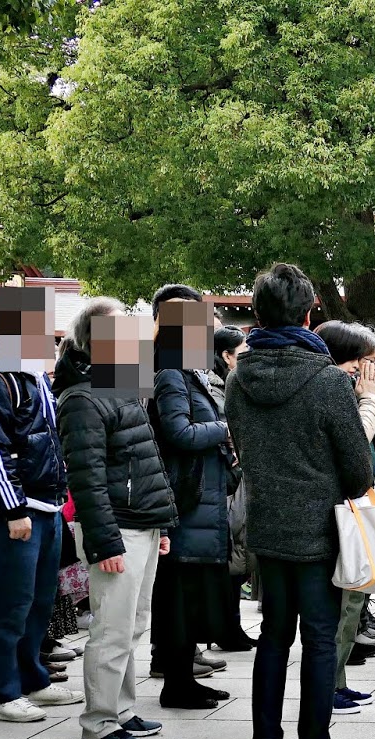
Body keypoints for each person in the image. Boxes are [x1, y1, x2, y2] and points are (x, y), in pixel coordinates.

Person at [226, 263, 373, 739]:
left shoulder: (238, 378)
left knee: (272, 636)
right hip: (317, 527)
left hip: (267, 523)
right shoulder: (328, 380)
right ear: (309, 313)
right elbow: (359, 470)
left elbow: (241, 449)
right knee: (318, 637)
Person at [53, 298, 177, 739]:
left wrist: (162, 523)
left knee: (133, 623)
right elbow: (85, 478)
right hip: (114, 528)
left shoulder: (122, 385)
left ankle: (122, 708)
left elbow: (146, 462)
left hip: (141, 522)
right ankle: (99, 723)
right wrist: (105, 541)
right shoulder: (81, 397)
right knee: (111, 628)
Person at [0, 299, 76, 723]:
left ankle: (33, 679)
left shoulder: (34, 379)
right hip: (17, 509)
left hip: (46, 505)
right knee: (10, 604)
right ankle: (1, 691)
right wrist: (12, 508)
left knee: (38, 602)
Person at [150, 286, 241, 711]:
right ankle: (177, 683)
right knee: (179, 596)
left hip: (202, 495)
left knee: (190, 595)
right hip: (186, 497)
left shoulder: (188, 373)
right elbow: (178, 433)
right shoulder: (169, 372)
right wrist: (225, 429)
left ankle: (186, 678)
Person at [313, 319, 375, 711]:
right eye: (366, 361)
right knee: (342, 606)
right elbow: (354, 444)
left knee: (353, 603)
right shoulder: (333, 388)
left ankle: (338, 680)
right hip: (340, 508)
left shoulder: (356, 389)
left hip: (361, 500)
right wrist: (371, 400)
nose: (371, 370)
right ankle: (329, 685)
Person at [208, 325, 257, 652]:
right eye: (242, 355)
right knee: (231, 554)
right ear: (226, 356)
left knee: (238, 551)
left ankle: (230, 625)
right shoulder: (216, 386)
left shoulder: (228, 383)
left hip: (236, 474)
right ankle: (224, 627)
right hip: (225, 477)